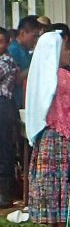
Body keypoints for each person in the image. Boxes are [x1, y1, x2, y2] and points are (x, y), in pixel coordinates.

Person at [25, 29, 70, 227]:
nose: (69, 52)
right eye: (66, 48)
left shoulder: (38, 76)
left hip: (45, 136)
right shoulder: (64, 77)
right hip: (60, 136)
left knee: (48, 182)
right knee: (61, 182)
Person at [0, 27, 20, 206]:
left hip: (3, 106)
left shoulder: (7, 61)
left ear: (7, 43)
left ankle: (5, 194)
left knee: (4, 149)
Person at [8, 14, 41, 105]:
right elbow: (15, 80)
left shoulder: (25, 51)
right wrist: (35, 65)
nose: (36, 40)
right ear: (22, 33)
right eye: (34, 36)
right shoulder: (13, 50)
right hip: (15, 103)